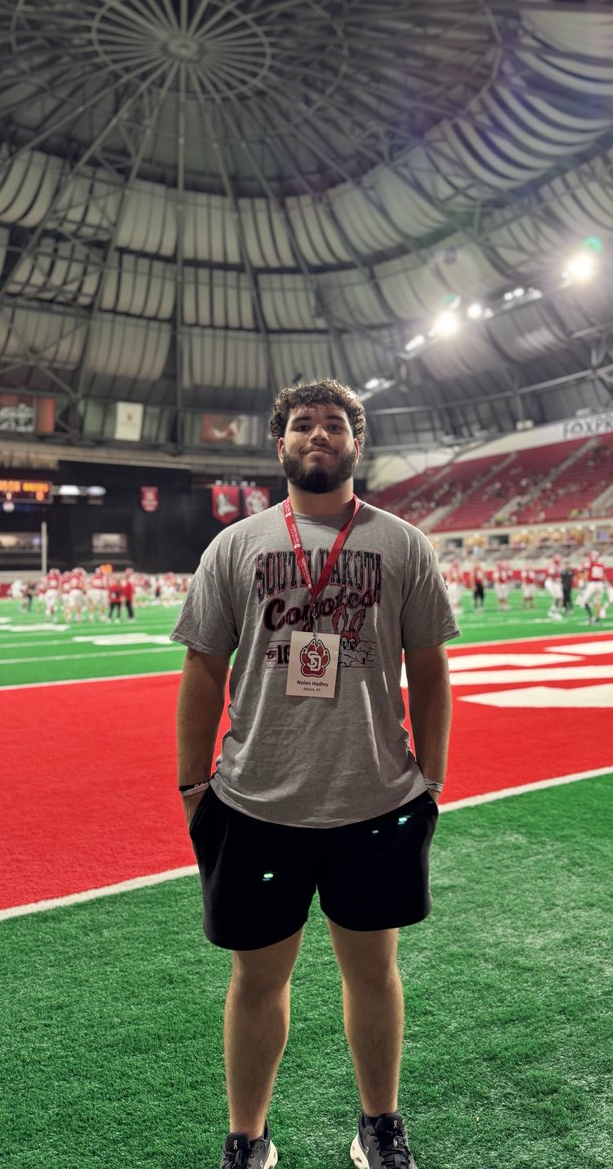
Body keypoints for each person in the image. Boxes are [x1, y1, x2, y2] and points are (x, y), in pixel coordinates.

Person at [171, 379, 458, 1169]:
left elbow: (431, 668)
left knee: (375, 973)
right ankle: (248, 1137)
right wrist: (193, 786)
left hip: (376, 798)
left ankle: (380, 1127)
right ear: (282, 445)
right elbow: (203, 667)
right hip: (255, 800)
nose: (319, 434)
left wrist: (432, 778)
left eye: (335, 424)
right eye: (304, 424)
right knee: (256, 980)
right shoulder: (235, 546)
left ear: (357, 443)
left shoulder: (404, 544)